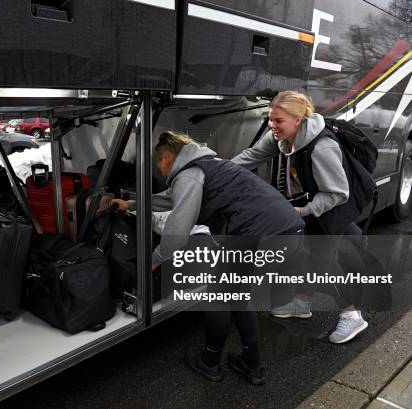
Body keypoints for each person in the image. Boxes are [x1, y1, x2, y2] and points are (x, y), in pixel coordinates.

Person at [113, 131, 304, 385]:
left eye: (160, 165)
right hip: (288, 230)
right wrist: (132, 204)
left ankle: (210, 362)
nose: (161, 172)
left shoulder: (189, 174)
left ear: (168, 157)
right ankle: (252, 364)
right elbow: (168, 200)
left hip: (258, 233)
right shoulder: (208, 165)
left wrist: (156, 258)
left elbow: (177, 233)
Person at [232, 90, 369, 344]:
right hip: (308, 203)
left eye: (278, 121)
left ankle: (352, 315)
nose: (272, 125)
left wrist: (303, 211)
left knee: (324, 263)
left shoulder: (322, 147)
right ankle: (303, 303)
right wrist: (220, 170)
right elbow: (251, 156)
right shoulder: (281, 138)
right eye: (271, 119)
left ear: (298, 119)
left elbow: (338, 194)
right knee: (305, 252)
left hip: (331, 208)